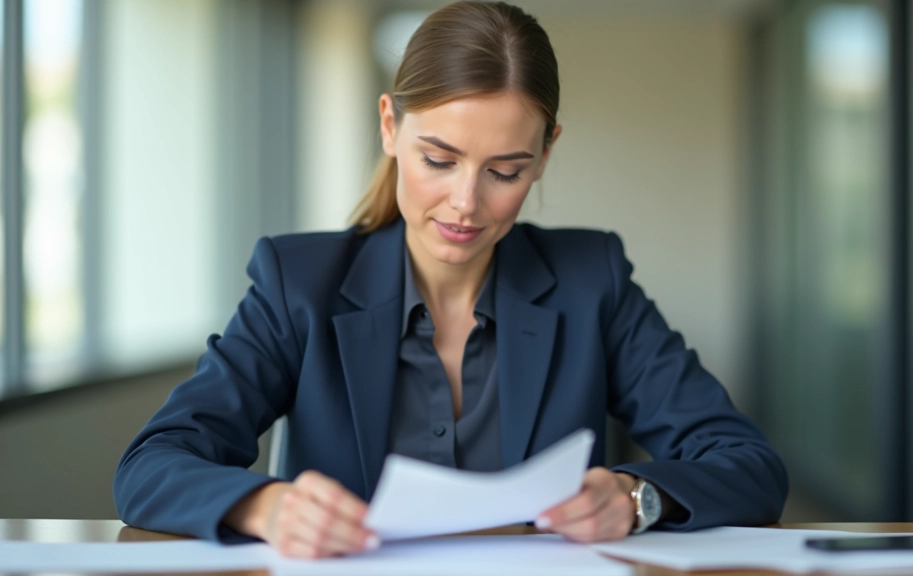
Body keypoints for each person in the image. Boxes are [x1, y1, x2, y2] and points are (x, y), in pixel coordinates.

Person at [113, 0, 787, 559]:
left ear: (546, 154)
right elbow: (150, 467)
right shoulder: (299, 284)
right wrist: (267, 505)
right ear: (389, 126)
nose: (467, 203)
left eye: (505, 171)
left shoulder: (593, 281)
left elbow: (748, 466)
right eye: (439, 159)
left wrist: (638, 497)